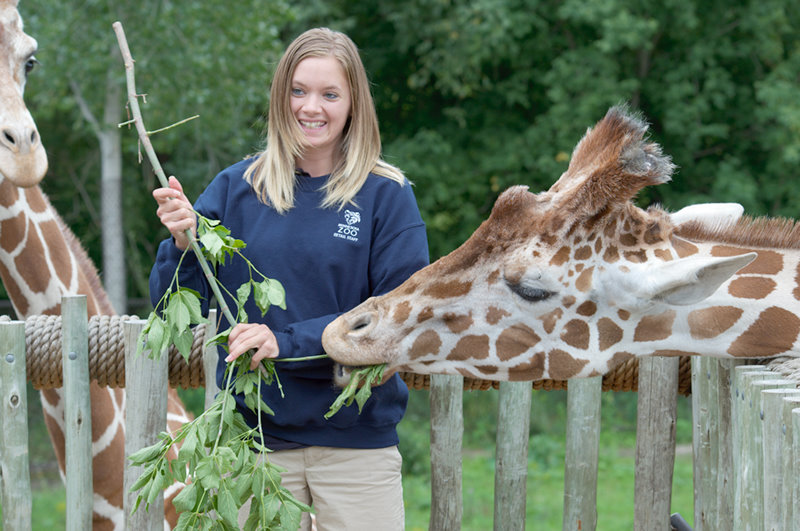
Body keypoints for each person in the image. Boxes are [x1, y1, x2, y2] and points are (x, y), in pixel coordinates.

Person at [149, 27, 429, 530]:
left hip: (356, 451)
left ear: (353, 103)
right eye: (298, 91)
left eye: (329, 94)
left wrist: (285, 341)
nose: (311, 108)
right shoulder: (236, 189)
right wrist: (183, 245)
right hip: (254, 447)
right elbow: (170, 305)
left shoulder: (387, 195)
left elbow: (396, 320)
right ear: (281, 97)